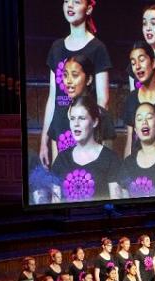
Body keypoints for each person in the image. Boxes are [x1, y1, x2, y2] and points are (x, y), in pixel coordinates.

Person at [39, 0, 111, 169]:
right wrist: (44, 140)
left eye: (76, 2)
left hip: (86, 130)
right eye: (66, 1)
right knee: (60, 188)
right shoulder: (56, 47)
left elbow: (103, 99)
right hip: (60, 130)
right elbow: (53, 98)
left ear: (89, 9)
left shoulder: (98, 48)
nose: (70, 5)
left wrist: (92, 134)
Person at [49, 96, 119, 202]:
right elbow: (55, 203)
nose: (76, 124)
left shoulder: (110, 159)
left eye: (82, 118)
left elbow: (116, 202)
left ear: (95, 122)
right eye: (72, 119)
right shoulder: (62, 159)